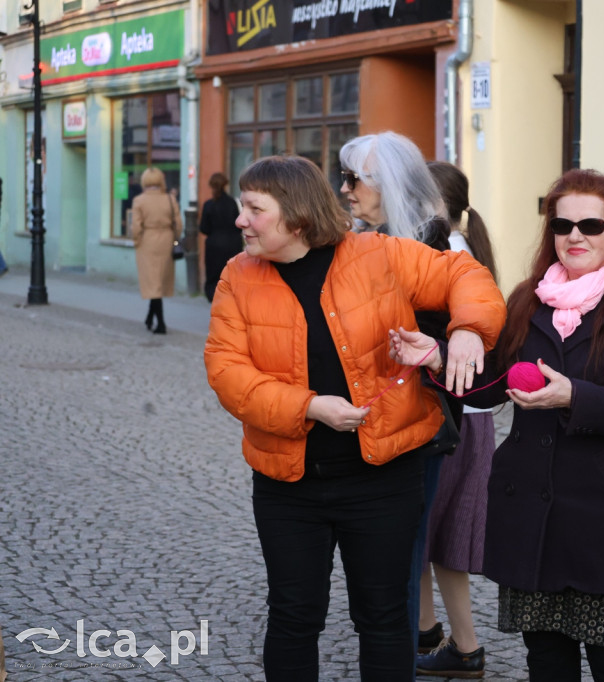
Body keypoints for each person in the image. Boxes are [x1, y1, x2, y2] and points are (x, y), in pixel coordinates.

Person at [203, 155, 505, 681]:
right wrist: (309, 407)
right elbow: (227, 372)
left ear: (295, 214)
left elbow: (464, 273)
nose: (239, 219)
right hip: (287, 484)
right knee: (293, 618)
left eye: (254, 208)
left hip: (385, 478)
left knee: (385, 617)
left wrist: (466, 331)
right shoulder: (237, 275)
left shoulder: (377, 254)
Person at [389, 168, 604, 682]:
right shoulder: (527, 297)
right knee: (545, 658)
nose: (575, 236)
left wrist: (575, 396)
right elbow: (491, 384)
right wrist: (436, 357)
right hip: (530, 508)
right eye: (562, 226)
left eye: (591, 225)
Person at [338, 132, 459, 657]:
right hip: (378, 422)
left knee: (402, 559)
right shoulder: (377, 238)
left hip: (416, 425)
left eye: (353, 179)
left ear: (386, 182)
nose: (344, 189)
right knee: (388, 560)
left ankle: (399, 655)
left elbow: (439, 341)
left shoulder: (429, 245)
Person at [414, 161, 499, 678]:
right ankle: (426, 632)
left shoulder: (450, 254)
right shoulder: (450, 247)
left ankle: (464, 647)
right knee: (424, 533)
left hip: (457, 417)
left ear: (435, 205)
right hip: (459, 414)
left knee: (439, 535)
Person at [130, 167, 180, 334]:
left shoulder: (139, 201)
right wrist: (174, 238)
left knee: (153, 284)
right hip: (166, 240)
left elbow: (136, 226)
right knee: (158, 283)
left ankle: (161, 323)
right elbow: (178, 224)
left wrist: (137, 241)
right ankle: (150, 317)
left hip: (147, 242)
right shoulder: (169, 199)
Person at [198, 172, 242, 302]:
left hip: (214, 247)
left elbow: (204, 228)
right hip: (232, 246)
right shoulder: (233, 203)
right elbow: (238, 225)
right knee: (231, 276)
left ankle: (216, 304)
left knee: (213, 278)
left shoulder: (209, 205)